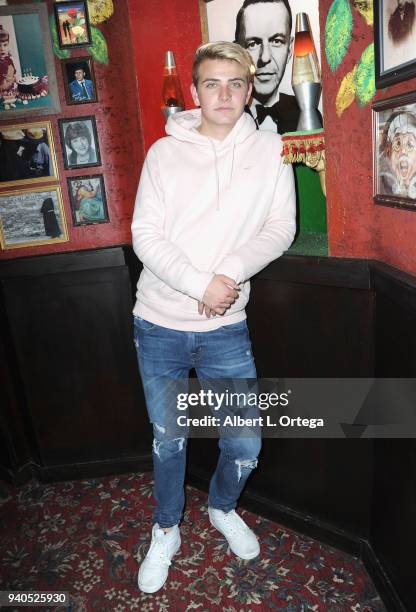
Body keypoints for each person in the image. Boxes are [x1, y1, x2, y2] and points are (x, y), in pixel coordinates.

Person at [131, 41, 296, 594]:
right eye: (211, 84)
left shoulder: (272, 152)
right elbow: (144, 236)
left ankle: (222, 508)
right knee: (169, 438)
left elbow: (280, 228)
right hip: (159, 322)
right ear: (196, 92)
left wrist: (225, 275)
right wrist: (199, 284)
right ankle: (166, 528)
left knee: (245, 442)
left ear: (249, 90)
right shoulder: (163, 153)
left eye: (235, 83)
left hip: (225, 326)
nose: (224, 94)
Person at [235, 0, 299, 133]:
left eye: (276, 41)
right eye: (253, 44)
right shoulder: (224, 116)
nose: (265, 57)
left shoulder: (305, 112)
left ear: (290, 49)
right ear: (237, 52)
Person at [380, 110, 416, 199]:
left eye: (410, 145)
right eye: (398, 144)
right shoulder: (381, 186)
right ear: (389, 153)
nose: (403, 151)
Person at [0, 24, 17, 100]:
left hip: (13, 92)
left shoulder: (9, 60)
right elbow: (2, 87)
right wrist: (12, 80)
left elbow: (14, 76)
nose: (2, 49)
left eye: (5, 45)